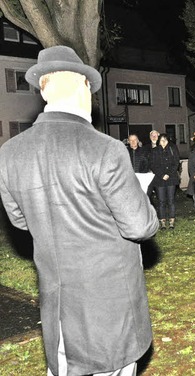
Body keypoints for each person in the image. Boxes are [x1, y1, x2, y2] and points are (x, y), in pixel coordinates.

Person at [0, 45, 158, 376]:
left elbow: (19, 220)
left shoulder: (9, 154)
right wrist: (139, 195)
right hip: (109, 309)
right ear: (83, 86)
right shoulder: (106, 149)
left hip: (58, 305)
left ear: (44, 88)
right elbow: (139, 226)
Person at [150, 133, 181, 230]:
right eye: (161, 140)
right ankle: (162, 221)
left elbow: (176, 162)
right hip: (159, 179)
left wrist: (168, 174)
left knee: (171, 200)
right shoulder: (154, 151)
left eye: (165, 140)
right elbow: (153, 165)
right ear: (158, 141)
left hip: (171, 178)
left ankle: (171, 221)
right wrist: (162, 175)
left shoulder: (172, 149)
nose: (163, 142)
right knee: (161, 201)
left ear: (168, 141)